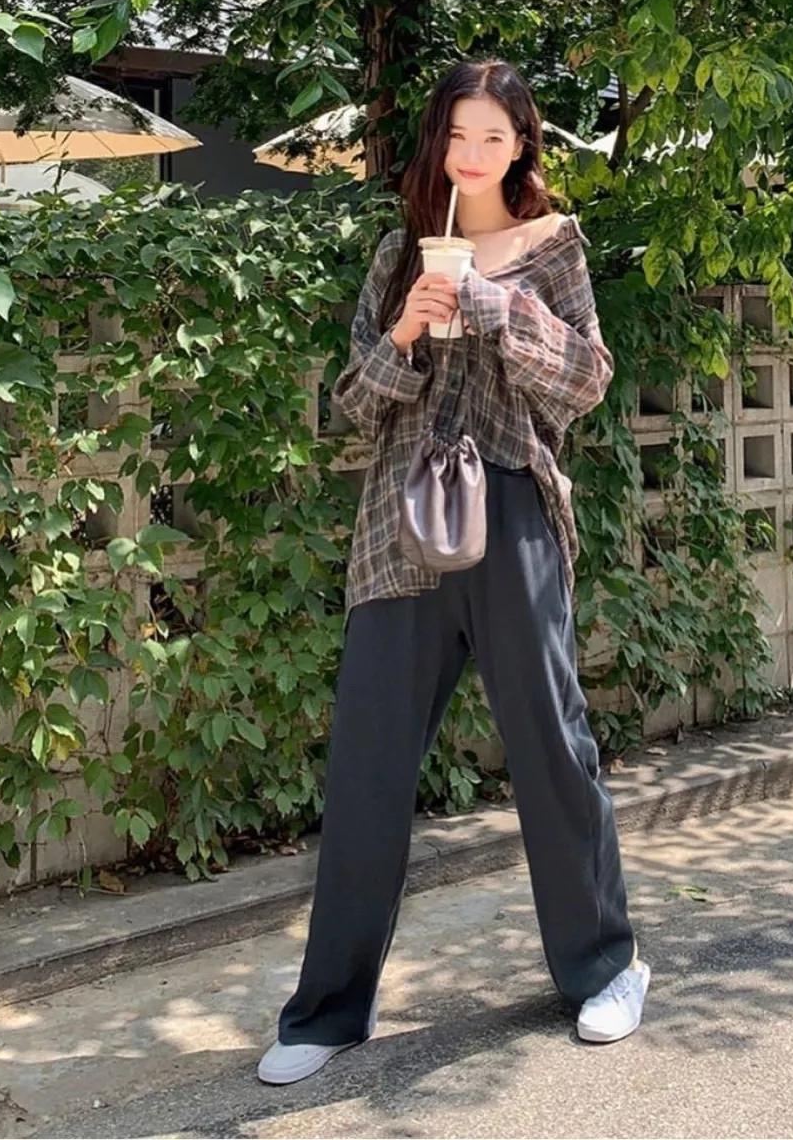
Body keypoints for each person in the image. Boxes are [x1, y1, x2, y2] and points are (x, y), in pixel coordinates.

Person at [258, 57, 649, 1087]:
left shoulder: (554, 245)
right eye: (458, 135)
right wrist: (405, 328)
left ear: (521, 147)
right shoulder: (400, 252)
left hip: (512, 506)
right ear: (437, 141)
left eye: (494, 137)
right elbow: (353, 406)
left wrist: (494, 308)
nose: (472, 155)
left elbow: (588, 380)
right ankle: (329, 1013)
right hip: (401, 523)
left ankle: (606, 968)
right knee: (369, 764)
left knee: (552, 745)